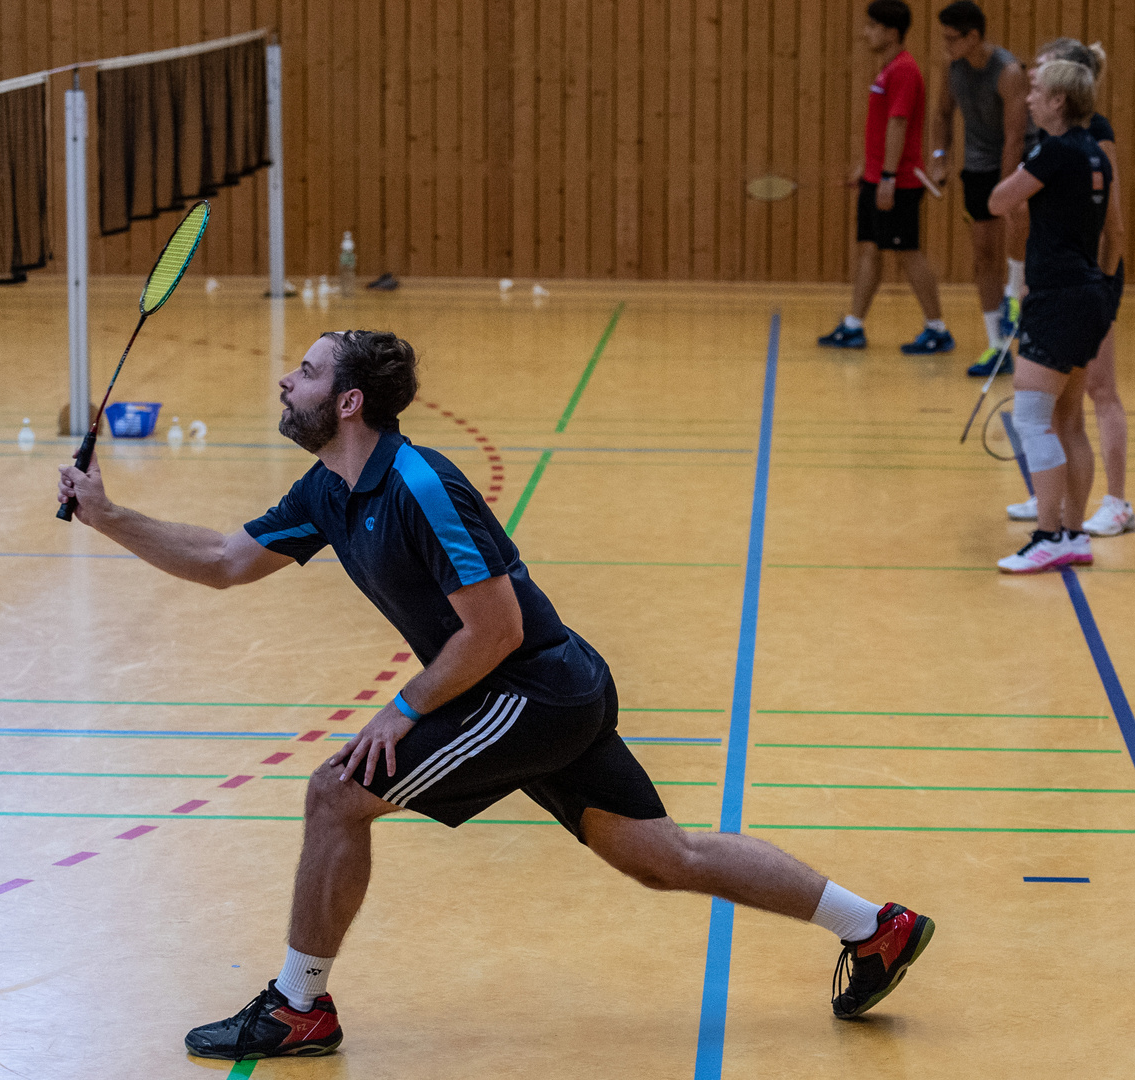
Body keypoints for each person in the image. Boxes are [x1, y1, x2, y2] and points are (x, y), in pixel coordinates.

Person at [56, 330, 937, 1061]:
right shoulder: (328, 489)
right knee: (665, 859)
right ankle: (875, 927)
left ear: (350, 401)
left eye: (309, 371)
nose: (288, 380)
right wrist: (107, 515)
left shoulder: (419, 484)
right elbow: (222, 562)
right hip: (534, 691)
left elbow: (497, 630)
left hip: (531, 689)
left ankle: (298, 1007)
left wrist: (400, 711)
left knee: (335, 796)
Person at [988, 55, 1115, 572]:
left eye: (1037, 91)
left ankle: (1047, 534)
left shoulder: (1056, 152)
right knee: (1070, 421)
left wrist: (1020, 163)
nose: (1028, 98)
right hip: (1089, 295)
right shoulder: (1094, 154)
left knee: (1034, 419)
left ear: (1059, 100)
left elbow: (998, 201)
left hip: (1057, 299)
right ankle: (1073, 533)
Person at [820, 0, 954, 355]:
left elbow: (898, 124)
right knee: (868, 248)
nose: (866, 33)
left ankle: (937, 329)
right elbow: (882, 127)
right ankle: (853, 326)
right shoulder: (888, 69)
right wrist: (867, 166)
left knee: (908, 252)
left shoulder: (905, 71)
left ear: (891, 32)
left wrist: (888, 177)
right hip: (878, 175)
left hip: (899, 181)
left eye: (872, 27)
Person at [927, 1, 1029, 376]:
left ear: (974, 36)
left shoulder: (1008, 71)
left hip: (1019, 161)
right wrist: (940, 157)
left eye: (952, 39)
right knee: (984, 254)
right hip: (978, 164)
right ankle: (998, 347)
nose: (946, 45)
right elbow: (941, 115)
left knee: (1021, 235)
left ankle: (1015, 293)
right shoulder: (953, 69)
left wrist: (1006, 187)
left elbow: (1016, 136)